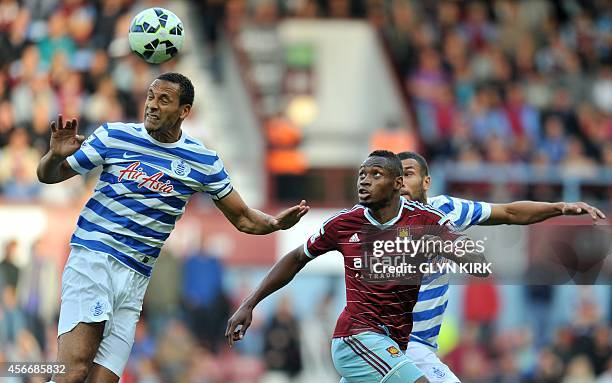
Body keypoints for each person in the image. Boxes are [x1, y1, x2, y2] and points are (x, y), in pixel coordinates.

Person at [36, 72, 310, 383]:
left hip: (136, 279)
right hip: (94, 260)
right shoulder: (114, 136)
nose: (152, 105)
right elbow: (50, 175)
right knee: (73, 372)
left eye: (163, 100)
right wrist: (53, 156)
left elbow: (244, 217)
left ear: (184, 111)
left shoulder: (201, 161)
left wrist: (275, 223)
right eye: (150, 97)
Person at [226, 150, 475, 383]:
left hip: (393, 344)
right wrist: (249, 303)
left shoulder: (423, 219)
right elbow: (297, 258)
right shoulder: (344, 223)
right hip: (356, 338)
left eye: (375, 174)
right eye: (361, 175)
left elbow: (472, 256)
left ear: (398, 183)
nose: (364, 181)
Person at [397, 151, 606, 383]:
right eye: (396, 177)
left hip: (419, 346)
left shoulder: (446, 208)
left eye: (408, 174)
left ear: (427, 182)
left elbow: (509, 212)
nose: (401, 182)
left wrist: (558, 207)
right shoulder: (378, 222)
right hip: (395, 342)